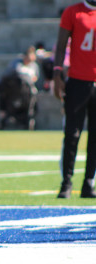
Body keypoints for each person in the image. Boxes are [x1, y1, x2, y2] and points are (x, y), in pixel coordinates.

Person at [54, 0, 96, 198]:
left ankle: (89, 183)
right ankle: (66, 183)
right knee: (72, 135)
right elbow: (61, 46)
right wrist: (57, 73)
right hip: (78, 81)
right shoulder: (73, 12)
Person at [0, 46, 39, 130]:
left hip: (27, 92)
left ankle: (30, 116)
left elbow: (35, 78)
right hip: (12, 90)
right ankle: (3, 114)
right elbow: (14, 75)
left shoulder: (34, 66)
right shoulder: (16, 64)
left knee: (33, 95)